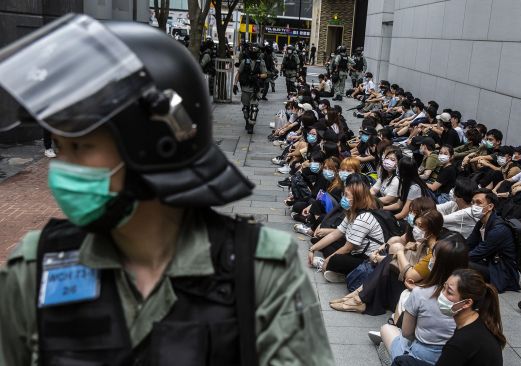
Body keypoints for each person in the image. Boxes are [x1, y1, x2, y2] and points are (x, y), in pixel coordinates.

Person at [0, 14, 333, 366]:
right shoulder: (35, 267)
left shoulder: (261, 271)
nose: (61, 171)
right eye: (60, 148)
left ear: (154, 145)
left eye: (81, 148)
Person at [378, 234, 469, 364]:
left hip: (420, 356)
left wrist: (418, 291)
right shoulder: (472, 295)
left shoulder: (421, 293)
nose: (430, 259)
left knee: (387, 329)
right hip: (453, 357)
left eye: (433, 256)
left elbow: (407, 333)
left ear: (438, 263)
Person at [393, 268, 504, 366]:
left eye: (449, 293)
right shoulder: (478, 320)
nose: (442, 295)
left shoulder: (460, 342)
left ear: (467, 303)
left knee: (401, 362)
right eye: (443, 288)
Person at [307, 173, 384, 283]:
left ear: (357, 199)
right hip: (355, 251)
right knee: (325, 243)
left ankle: (344, 272)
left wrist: (328, 261)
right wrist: (312, 249)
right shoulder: (353, 212)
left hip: (367, 259)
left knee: (335, 259)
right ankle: (336, 269)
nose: (343, 198)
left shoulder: (363, 218)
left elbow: (348, 247)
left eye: (347, 195)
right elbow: (336, 233)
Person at [466, 189, 520, 292]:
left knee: (462, 263)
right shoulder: (481, 222)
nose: (474, 206)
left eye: (478, 203)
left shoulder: (499, 229)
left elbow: (479, 252)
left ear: (490, 206)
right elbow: (469, 243)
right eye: (472, 202)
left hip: (502, 271)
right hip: (489, 262)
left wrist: (454, 257)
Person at [233, 43, 267, 134]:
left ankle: (251, 125)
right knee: (245, 108)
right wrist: (235, 84)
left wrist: (258, 75)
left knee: (254, 108)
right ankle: (247, 122)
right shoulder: (245, 61)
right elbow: (239, 73)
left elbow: (265, 74)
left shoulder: (261, 62)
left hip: (256, 88)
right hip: (245, 88)